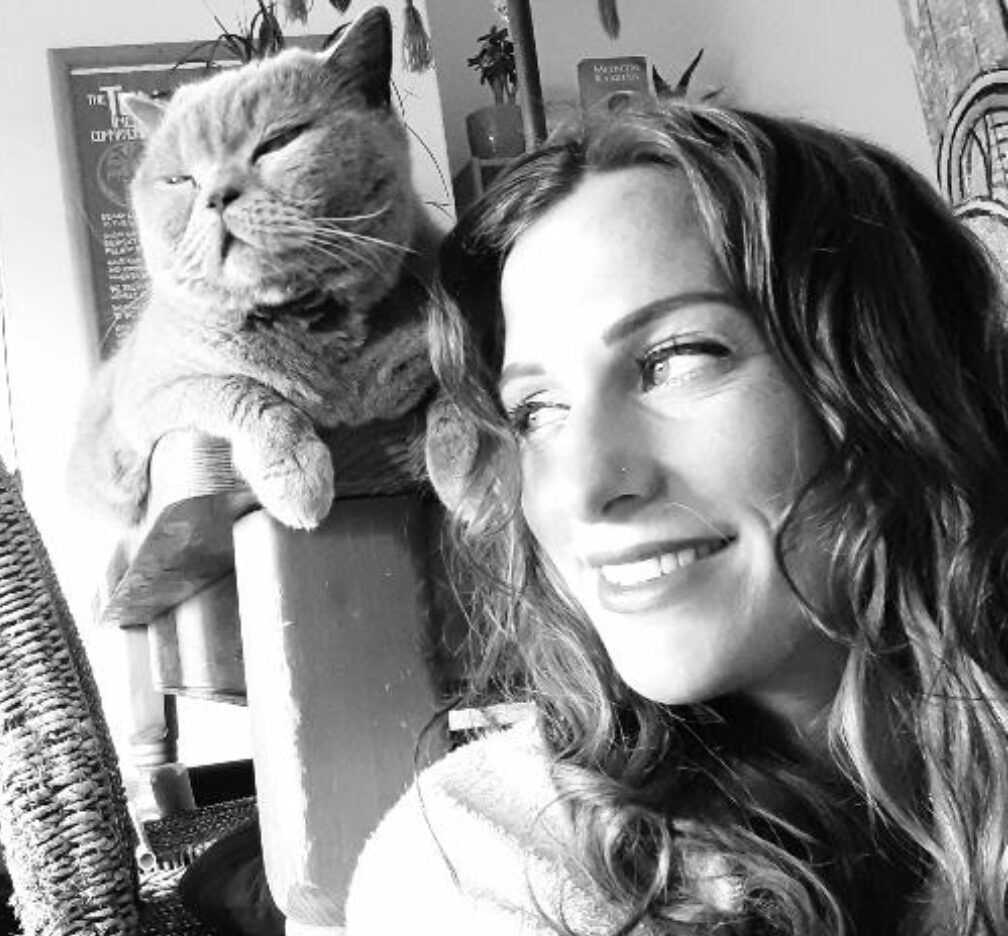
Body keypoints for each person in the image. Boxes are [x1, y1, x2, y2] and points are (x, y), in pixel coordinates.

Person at [344, 98, 1008, 935]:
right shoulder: (484, 858)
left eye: (674, 360)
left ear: (896, 376)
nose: (583, 487)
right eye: (536, 412)